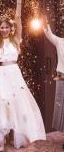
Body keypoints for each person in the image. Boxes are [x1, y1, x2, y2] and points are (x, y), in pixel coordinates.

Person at [0, 0, 46, 151]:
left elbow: (18, 17)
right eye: (1, 27)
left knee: (16, 102)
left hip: (14, 73)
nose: (4, 29)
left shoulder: (16, 40)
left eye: (6, 27)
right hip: (0, 74)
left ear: (11, 28)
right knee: (2, 102)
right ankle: (1, 139)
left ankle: (17, 135)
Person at [44, 18, 64, 149]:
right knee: (63, 109)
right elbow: (48, 34)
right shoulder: (60, 42)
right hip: (62, 80)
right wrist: (45, 23)